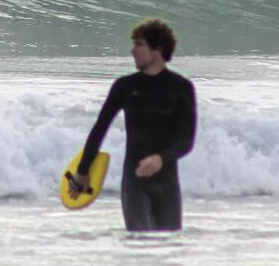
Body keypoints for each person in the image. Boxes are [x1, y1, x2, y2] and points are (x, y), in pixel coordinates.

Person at [66, 18, 197, 232]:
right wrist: (83, 170)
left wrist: (160, 159)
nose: (132, 50)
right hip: (134, 183)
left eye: (139, 44)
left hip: (168, 185)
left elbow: (186, 140)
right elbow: (100, 129)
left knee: (169, 250)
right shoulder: (125, 86)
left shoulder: (181, 88)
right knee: (139, 244)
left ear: (158, 49)